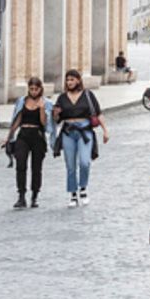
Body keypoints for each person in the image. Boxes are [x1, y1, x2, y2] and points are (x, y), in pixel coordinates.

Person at [53, 69, 106, 207]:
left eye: (72, 79)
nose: (69, 82)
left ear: (78, 80)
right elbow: (57, 120)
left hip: (85, 131)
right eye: (67, 80)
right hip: (68, 132)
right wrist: (56, 114)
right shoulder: (62, 98)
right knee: (70, 165)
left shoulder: (88, 95)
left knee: (84, 162)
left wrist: (105, 130)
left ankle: (83, 188)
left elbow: (98, 113)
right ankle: (72, 194)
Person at [8, 78, 52, 208]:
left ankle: (34, 195)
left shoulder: (46, 103)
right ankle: (21, 196)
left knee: (36, 167)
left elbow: (44, 124)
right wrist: (9, 136)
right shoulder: (22, 101)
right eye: (31, 89)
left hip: (37, 135)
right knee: (20, 164)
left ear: (40, 89)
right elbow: (17, 119)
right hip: (23, 135)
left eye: (36, 89)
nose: (33, 91)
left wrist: (42, 109)